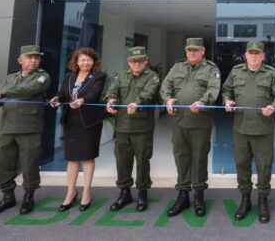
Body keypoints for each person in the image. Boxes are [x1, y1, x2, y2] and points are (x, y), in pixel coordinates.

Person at [221, 40, 275, 224]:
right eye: (251, 53)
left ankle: (263, 201)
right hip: (241, 129)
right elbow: (226, 91)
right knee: (242, 165)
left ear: (263, 56)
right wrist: (227, 101)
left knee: (264, 167)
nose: (254, 56)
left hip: (263, 130)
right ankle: (245, 200)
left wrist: (273, 107)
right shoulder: (236, 72)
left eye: (258, 53)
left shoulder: (271, 73)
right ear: (245, 55)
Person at [0, 45, 51, 216]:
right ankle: (7, 196)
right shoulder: (10, 77)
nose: (33, 60)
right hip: (7, 127)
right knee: (4, 163)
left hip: (29, 127)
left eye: (37, 57)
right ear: (20, 60)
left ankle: (29, 196)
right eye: (30, 57)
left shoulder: (42, 77)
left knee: (30, 164)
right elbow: (3, 99)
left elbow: (27, 89)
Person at [160, 38, 221, 217]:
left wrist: (202, 101)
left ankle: (199, 195)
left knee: (199, 158)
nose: (192, 53)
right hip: (179, 121)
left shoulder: (211, 69)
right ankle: (183, 196)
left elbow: (213, 89)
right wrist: (167, 100)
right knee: (181, 158)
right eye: (189, 50)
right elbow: (166, 86)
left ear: (203, 51)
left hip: (200, 122)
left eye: (195, 50)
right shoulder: (177, 67)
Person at [50, 47, 107, 212]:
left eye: (89, 60)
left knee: (87, 157)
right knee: (72, 158)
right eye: (82, 59)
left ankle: (86, 192)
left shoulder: (99, 76)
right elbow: (62, 94)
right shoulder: (69, 77)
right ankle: (71, 192)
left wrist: (81, 100)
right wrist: (56, 99)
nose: (85, 63)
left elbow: (94, 94)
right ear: (76, 61)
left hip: (89, 122)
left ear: (94, 62)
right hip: (71, 121)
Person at [104, 46, 161, 212]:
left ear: (146, 61)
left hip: (142, 128)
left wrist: (137, 103)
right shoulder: (122, 76)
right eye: (134, 61)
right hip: (122, 127)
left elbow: (148, 94)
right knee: (122, 161)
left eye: (140, 61)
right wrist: (110, 100)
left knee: (143, 161)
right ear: (129, 62)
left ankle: (142, 193)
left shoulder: (152, 76)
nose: (137, 64)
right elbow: (112, 91)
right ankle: (124, 193)